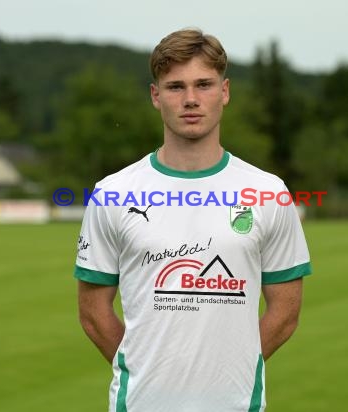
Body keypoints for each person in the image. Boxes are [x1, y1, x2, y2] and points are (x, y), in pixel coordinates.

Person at [74, 28, 312, 412]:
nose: (190, 100)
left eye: (204, 84)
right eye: (175, 87)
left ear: (225, 91)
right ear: (155, 96)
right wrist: (146, 367)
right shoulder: (113, 192)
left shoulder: (268, 192)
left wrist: (227, 368)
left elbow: (285, 314)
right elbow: (92, 313)